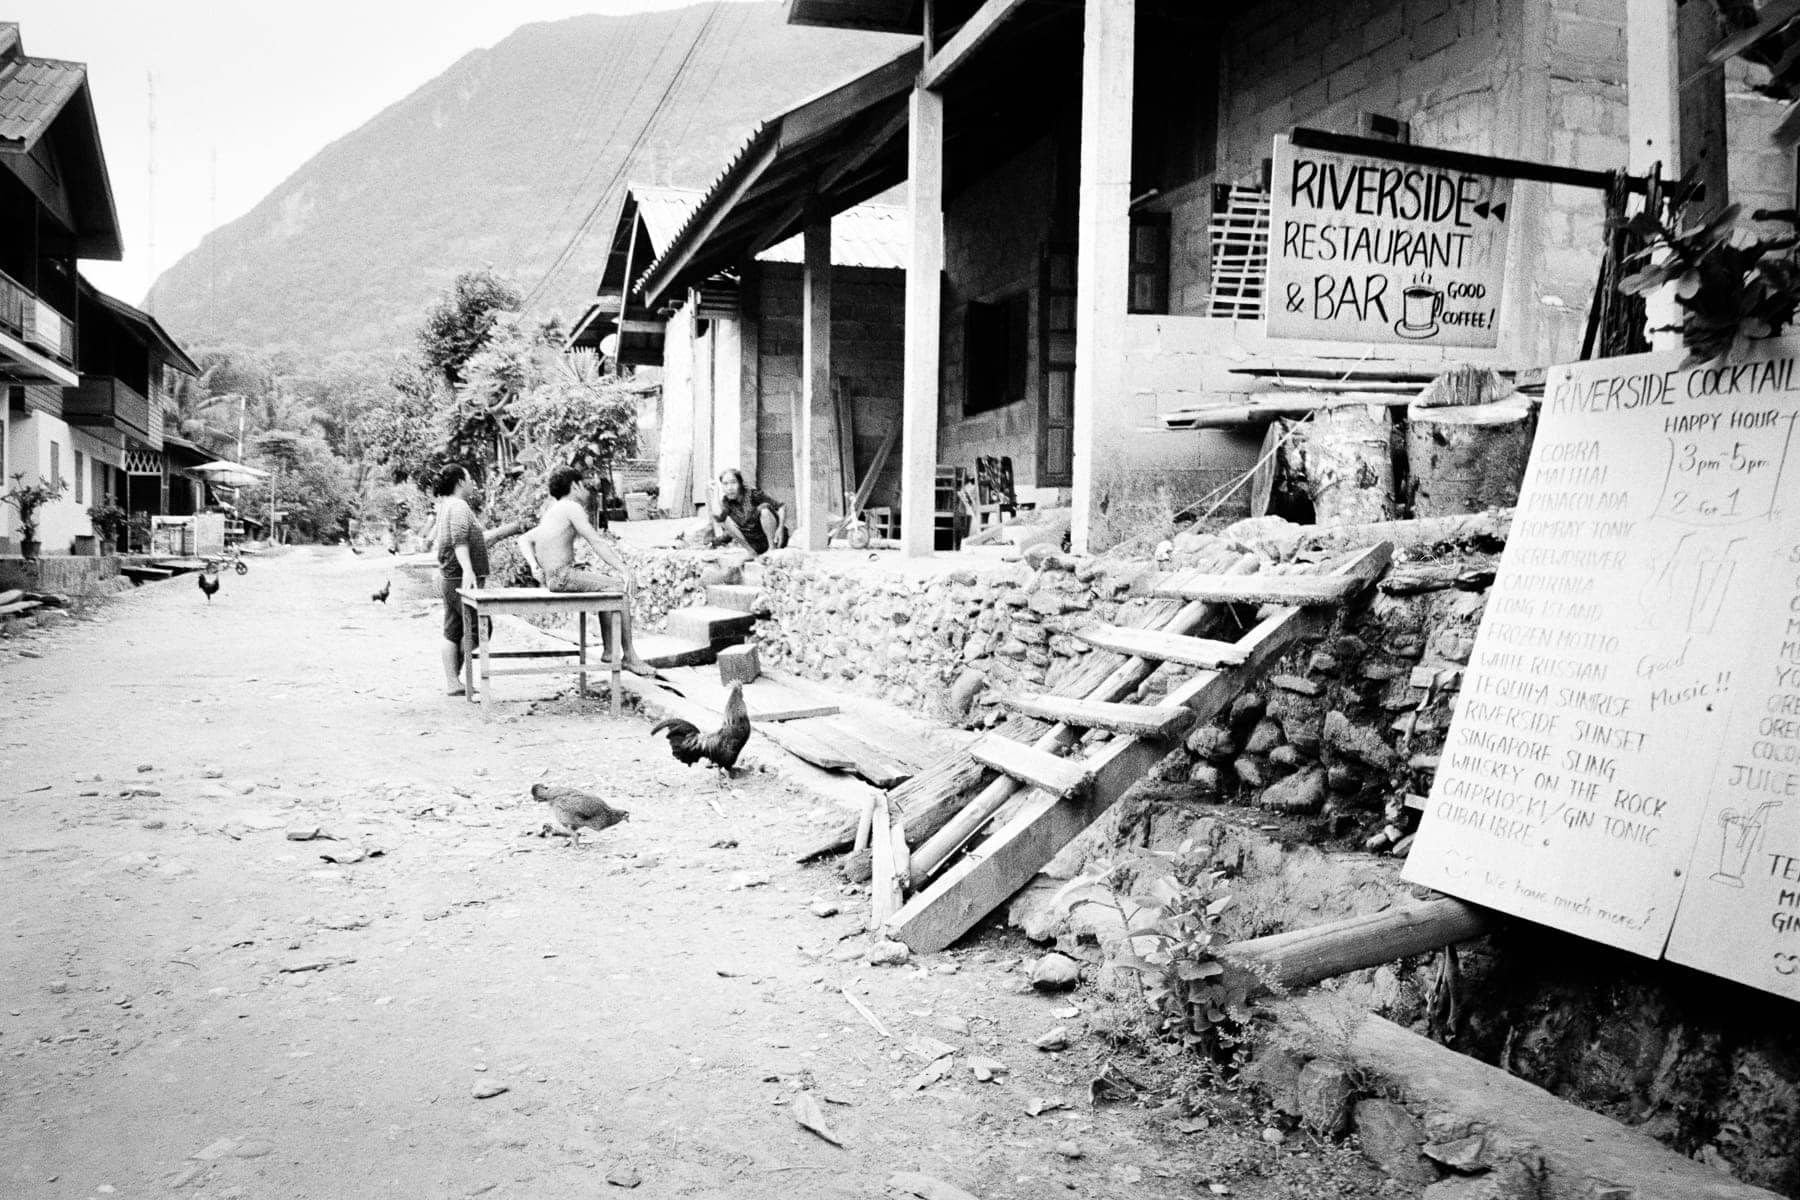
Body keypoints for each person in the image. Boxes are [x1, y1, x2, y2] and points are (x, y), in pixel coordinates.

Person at [518, 466, 655, 676]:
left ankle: (610, 651)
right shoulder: (571, 507)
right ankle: (629, 657)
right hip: (562, 575)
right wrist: (624, 569)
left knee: (606, 587)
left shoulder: (553, 511)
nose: (587, 491)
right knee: (618, 588)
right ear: (575, 486)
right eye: (584, 486)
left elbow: (525, 538)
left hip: (554, 577)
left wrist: (534, 565)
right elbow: (596, 541)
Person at [432, 464, 526, 696]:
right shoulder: (459, 506)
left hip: (450, 577)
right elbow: (459, 540)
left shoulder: (447, 506)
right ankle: (460, 680)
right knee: (476, 628)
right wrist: (468, 570)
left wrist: (511, 529)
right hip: (460, 579)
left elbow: (475, 540)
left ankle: (453, 682)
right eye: (469, 478)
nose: (473, 482)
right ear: (460, 482)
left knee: (453, 629)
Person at [709, 468, 786, 558]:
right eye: (725, 484)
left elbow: (781, 507)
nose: (730, 488)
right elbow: (718, 516)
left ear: (740, 483)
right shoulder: (727, 502)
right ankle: (751, 552)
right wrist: (715, 492)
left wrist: (780, 529)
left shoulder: (753, 494)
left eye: (733, 482)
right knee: (723, 520)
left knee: (764, 510)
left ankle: (772, 549)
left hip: (773, 539)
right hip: (754, 543)